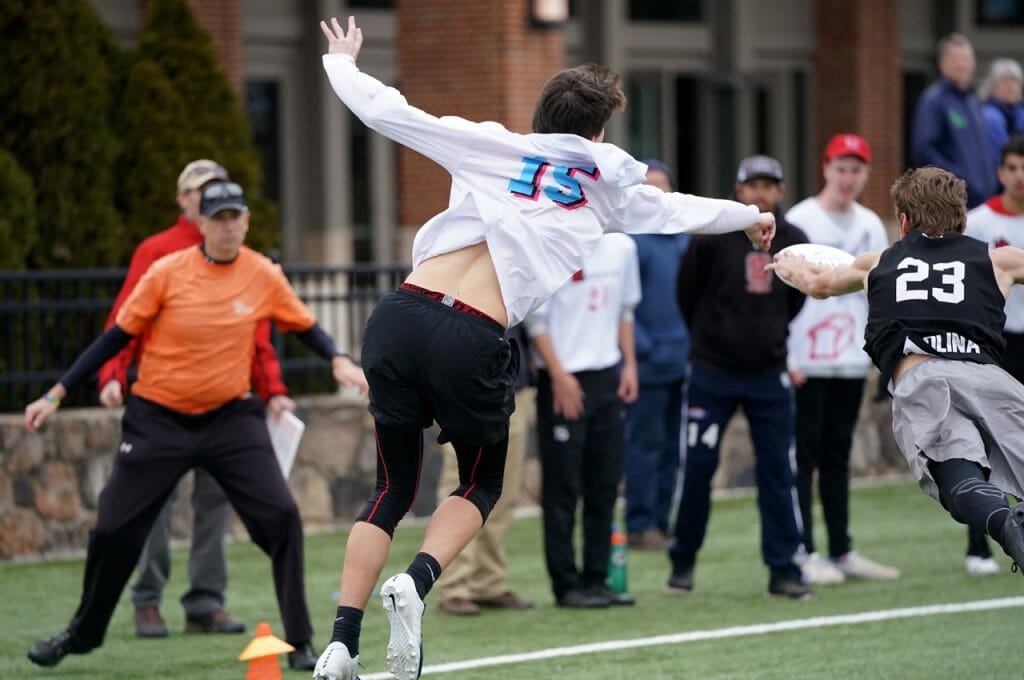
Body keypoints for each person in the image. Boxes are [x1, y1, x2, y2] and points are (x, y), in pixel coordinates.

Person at [313, 16, 775, 680]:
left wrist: (341, 63)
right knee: (481, 482)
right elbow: (679, 213)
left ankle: (340, 643)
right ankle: (415, 582)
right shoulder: (604, 190)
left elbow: (388, 111)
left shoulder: (488, 144)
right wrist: (751, 216)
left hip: (401, 313)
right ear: (596, 134)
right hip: (472, 331)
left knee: (391, 485)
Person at [23, 180, 368, 672]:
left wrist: (337, 358)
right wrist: (56, 393)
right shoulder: (166, 272)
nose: (228, 226)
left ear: (246, 221)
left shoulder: (263, 274)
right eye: (219, 217)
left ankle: (302, 642)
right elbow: (115, 337)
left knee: (282, 519)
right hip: (158, 420)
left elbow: (305, 326)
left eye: (236, 216)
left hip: (230, 420)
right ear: (201, 224)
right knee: (111, 530)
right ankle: (81, 633)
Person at [768, 166, 1024, 586]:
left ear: (902, 222)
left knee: (958, 480)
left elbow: (817, 284)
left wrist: (785, 261)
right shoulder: (998, 259)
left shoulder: (877, 264)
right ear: (962, 219)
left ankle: (1005, 524)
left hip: (923, 380)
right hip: (989, 378)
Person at [100, 159, 290, 638]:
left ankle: (205, 601)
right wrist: (112, 374)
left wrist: (274, 391)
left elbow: (259, 335)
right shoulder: (158, 253)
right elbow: (126, 320)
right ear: (185, 202)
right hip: (165, 402)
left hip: (227, 405)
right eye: (200, 192)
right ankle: (148, 599)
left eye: (220, 192)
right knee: (154, 500)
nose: (213, 201)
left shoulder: (245, 258)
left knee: (215, 500)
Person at [665, 155, 810, 600]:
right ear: (738, 190)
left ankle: (784, 569)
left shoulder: (794, 240)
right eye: (753, 186)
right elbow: (686, 293)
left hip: (769, 374)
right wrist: (712, 341)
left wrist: (767, 339)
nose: (761, 193)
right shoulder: (716, 233)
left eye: (769, 185)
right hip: (713, 373)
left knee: (778, 472)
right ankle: (683, 562)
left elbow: (798, 299)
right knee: (698, 468)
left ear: (781, 192)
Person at [785, 134, 900, 585]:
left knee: (837, 454)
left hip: (849, 358)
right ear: (826, 167)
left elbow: (878, 296)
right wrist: (785, 353)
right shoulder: (800, 218)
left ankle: (840, 548)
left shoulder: (871, 224)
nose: (848, 178)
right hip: (806, 358)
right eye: (841, 168)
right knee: (804, 456)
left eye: (857, 169)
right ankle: (802, 549)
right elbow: (787, 290)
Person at [528, 232, 641, 608]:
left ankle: (597, 577)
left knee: (605, 483)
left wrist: (629, 366)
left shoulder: (623, 247)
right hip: (563, 380)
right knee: (562, 488)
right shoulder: (551, 242)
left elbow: (624, 312)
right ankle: (566, 584)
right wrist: (559, 376)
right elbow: (536, 320)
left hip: (606, 374)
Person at [433, 323, 535, 617]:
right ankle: (454, 586)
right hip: (464, 386)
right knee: (459, 490)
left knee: (505, 491)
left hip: (514, 383)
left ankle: (487, 581)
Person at [963, 133, 1024, 574]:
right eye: (1013, 168)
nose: (1020, 177)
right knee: (983, 439)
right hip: (995, 343)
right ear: (1001, 172)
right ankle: (979, 545)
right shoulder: (979, 221)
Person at [623, 161, 691, 551]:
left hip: (682, 362)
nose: (657, 195)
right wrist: (644, 349)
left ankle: (662, 522)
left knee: (670, 448)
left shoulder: (683, 240)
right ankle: (640, 524)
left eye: (663, 187)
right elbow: (626, 307)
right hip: (647, 365)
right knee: (643, 447)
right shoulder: (632, 242)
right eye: (649, 189)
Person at [910, 33, 997, 209]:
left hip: (983, 203)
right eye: (955, 59)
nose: (961, 64)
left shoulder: (973, 101)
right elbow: (923, 151)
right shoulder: (934, 100)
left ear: (973, 63)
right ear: (941, 64)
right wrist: (960, 182)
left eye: (965, 58)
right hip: (953, 204)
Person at [978, 59, 1024, 178]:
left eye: (1014, 81)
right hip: (999, 181)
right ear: (992, 87)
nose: (1011, 87)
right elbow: (998, 156)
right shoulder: (989, 116)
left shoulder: (1020, 114)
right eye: (1004, 82)